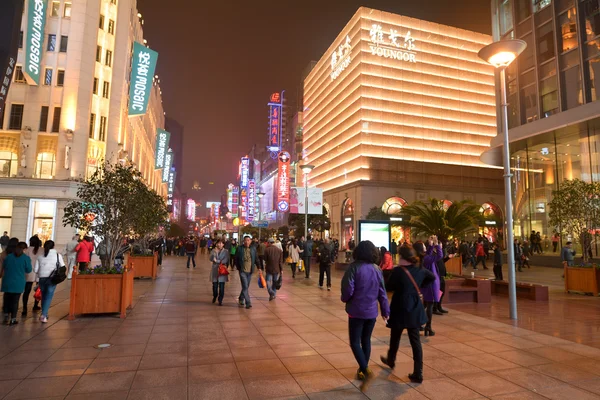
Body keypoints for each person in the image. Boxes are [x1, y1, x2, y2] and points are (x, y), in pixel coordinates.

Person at [380, 243, 435, 384]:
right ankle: (418, 372)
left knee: (395, 336)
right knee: (415, 341)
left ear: (403, 257)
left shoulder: (398, 272)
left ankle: (391, 360)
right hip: (415, 307)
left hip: (400, 308)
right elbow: (432, 277)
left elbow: (389, 287)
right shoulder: (420, 270)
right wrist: (420, 287)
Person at [341, 240, 390, 388]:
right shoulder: (377, 269)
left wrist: (346, 299)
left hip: (356, 311)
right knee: (366, 340)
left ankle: (366, 370)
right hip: (371, 312)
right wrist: (385, 310)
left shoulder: (353, 268)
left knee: (355, 342)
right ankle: (362, 370)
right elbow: (382, 292)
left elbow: (347, 290)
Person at [415, 236, 442, 336]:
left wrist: (431, 245)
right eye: (424, 246)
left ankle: (418, 324)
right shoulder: (426, 258)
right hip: (431, 284)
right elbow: (439, 256)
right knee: (430, 304)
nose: (425, 246)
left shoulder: (422, 257)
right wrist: (437, 245)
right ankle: (428, 326)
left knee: (425, 304)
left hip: (426, 283)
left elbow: (428, 254)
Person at [1, 241, 32, 325]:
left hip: (7, 281)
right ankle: (13, 319)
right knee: (15, 301)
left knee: (6, 299)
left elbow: (4, 266)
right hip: (18, 282)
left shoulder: (8, 257)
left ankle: (6, 317)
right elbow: (29, 270)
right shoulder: (26, 258)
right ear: (24, 249)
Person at [34, 240, 65, 323]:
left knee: (44, 296)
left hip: (42, 278)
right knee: (48, 296)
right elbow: (62, 266)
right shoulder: (58, 255)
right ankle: (43, 315)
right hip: (52, 278)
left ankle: (45, 313)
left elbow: (36, 269)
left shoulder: (40, 256)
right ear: (53, 246)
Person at [236, 236, 258, 309]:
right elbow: (236, 259)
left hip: (250, 271)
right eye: (245, 240)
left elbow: (256, 258)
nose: (247, 242)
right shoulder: (239, 248)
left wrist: (260, 267)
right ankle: (248, 302)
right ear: (243, 241)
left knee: (246, 286)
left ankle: (241, 298)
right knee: (245, 286)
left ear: (250, 241)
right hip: (242, 271)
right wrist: (239, 268)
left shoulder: (253, 249)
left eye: (248, 240)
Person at [23, 237, 41, 316]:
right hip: (39, 272)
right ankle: (35, 305)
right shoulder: (42, 250)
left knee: (26, 291)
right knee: (38, 291)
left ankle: (24, 308)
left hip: (29, 272)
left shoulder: (27, 250)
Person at [209, 239, 229, 306]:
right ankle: (215, 296)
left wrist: (217, 261)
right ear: (216, 244)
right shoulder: (213, 250)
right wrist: (214, 253)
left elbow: (225, 260)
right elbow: (211, 259)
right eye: (218, 243)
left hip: (222, 270)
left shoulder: (226, 251)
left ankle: (220, 300)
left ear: (223, 244)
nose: (220, 244)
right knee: (214, 286)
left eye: (221, 243)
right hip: (215, 270)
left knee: (222, 286)